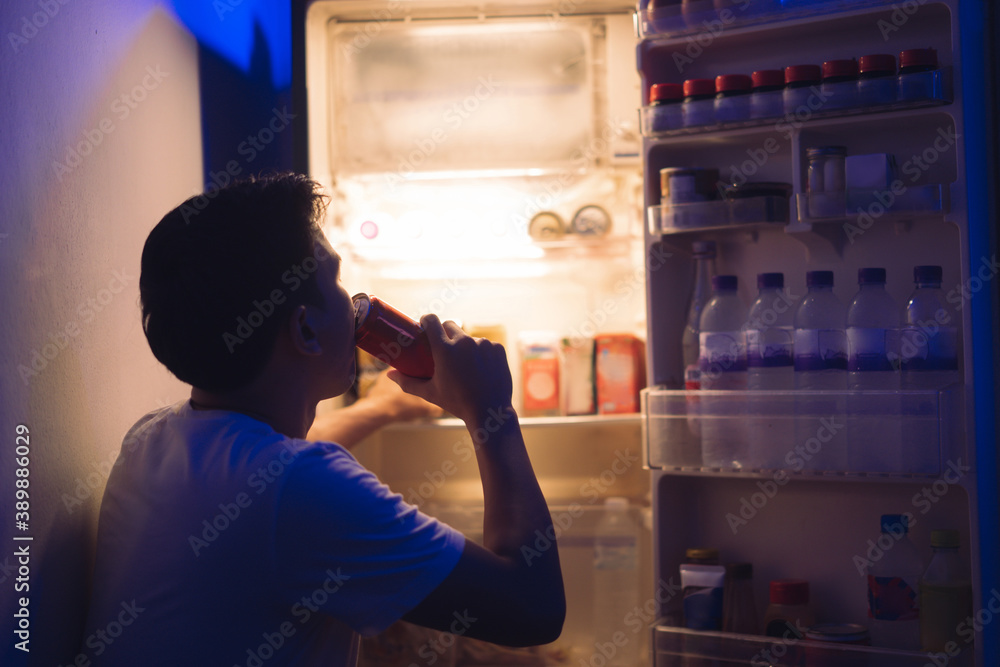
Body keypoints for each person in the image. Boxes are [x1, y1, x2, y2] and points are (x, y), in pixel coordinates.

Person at [81, 173, 565, 666]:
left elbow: (274, 482)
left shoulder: (151, 439)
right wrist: (492, 414)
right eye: (336, 280)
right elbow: (534, 607)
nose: (354, 300)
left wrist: (380, 408)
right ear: (306, 328)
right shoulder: (298, 486)